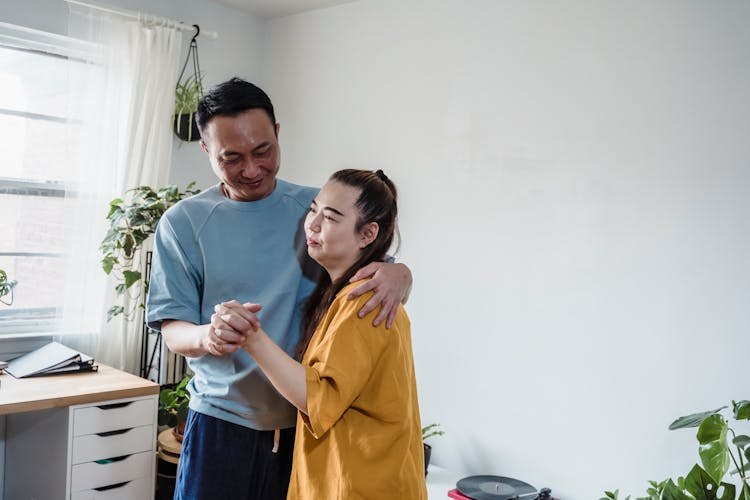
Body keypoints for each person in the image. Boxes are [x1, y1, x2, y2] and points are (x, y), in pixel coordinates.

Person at [146, 79, 412, 500]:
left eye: (263, 151)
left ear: (278, 133)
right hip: (220, 425)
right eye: (231, 158)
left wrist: (402, 273)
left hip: (305, 433)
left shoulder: (315, 211)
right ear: (206, 151)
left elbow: (372, 267)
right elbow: (172, 330)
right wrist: (209, 335)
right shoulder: (182, 224)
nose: (251, 169)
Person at [214, 169, 426, 500]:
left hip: (360, 486)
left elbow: (317, 400)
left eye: (329, 218)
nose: (312, 225)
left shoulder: (363, 301)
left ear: (368, 234)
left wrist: (252, 337)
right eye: (313, 210)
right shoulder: (349, 295)